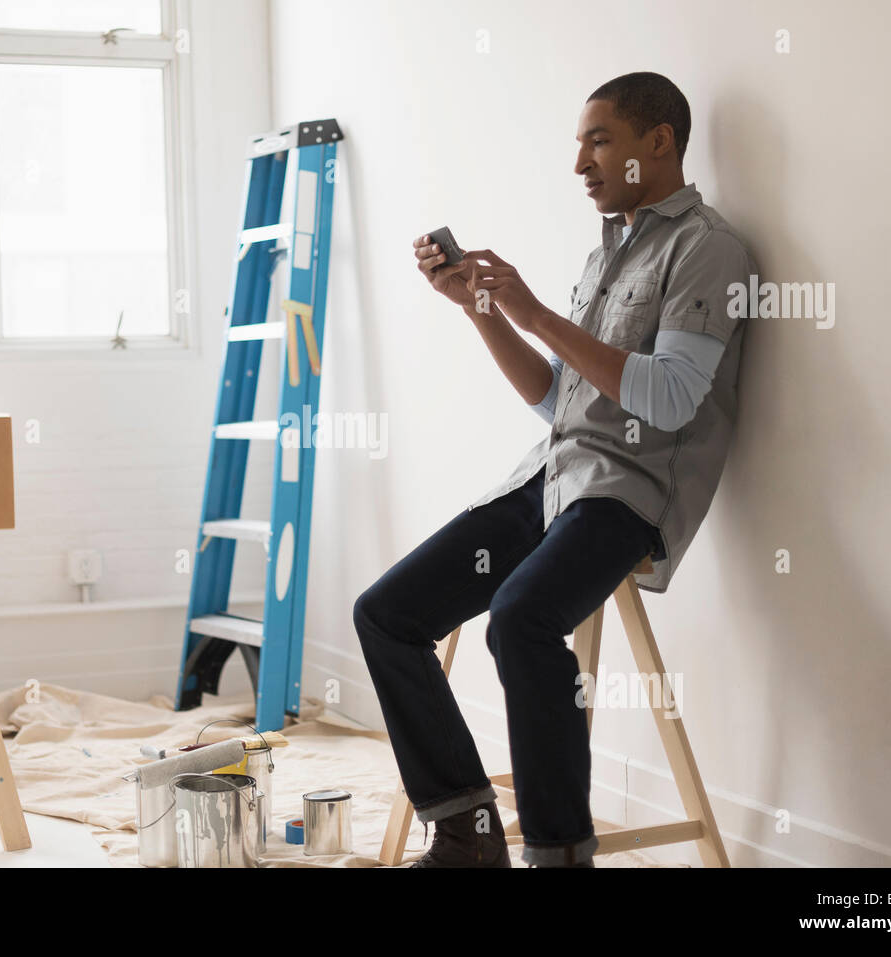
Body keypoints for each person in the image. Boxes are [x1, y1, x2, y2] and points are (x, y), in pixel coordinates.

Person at [354, 72, 756, 868]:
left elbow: (670, 400)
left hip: (627, 496)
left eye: (598, 139)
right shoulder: (607, 249)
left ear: (659, 142)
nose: (580, 162)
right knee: (386, 613)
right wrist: (480, 309)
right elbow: (557, 400)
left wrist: (536, 312)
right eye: (579, 142)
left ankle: (558, 849)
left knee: (521, 619)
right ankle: (466, 828)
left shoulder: (709, 249)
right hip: (549, 477)